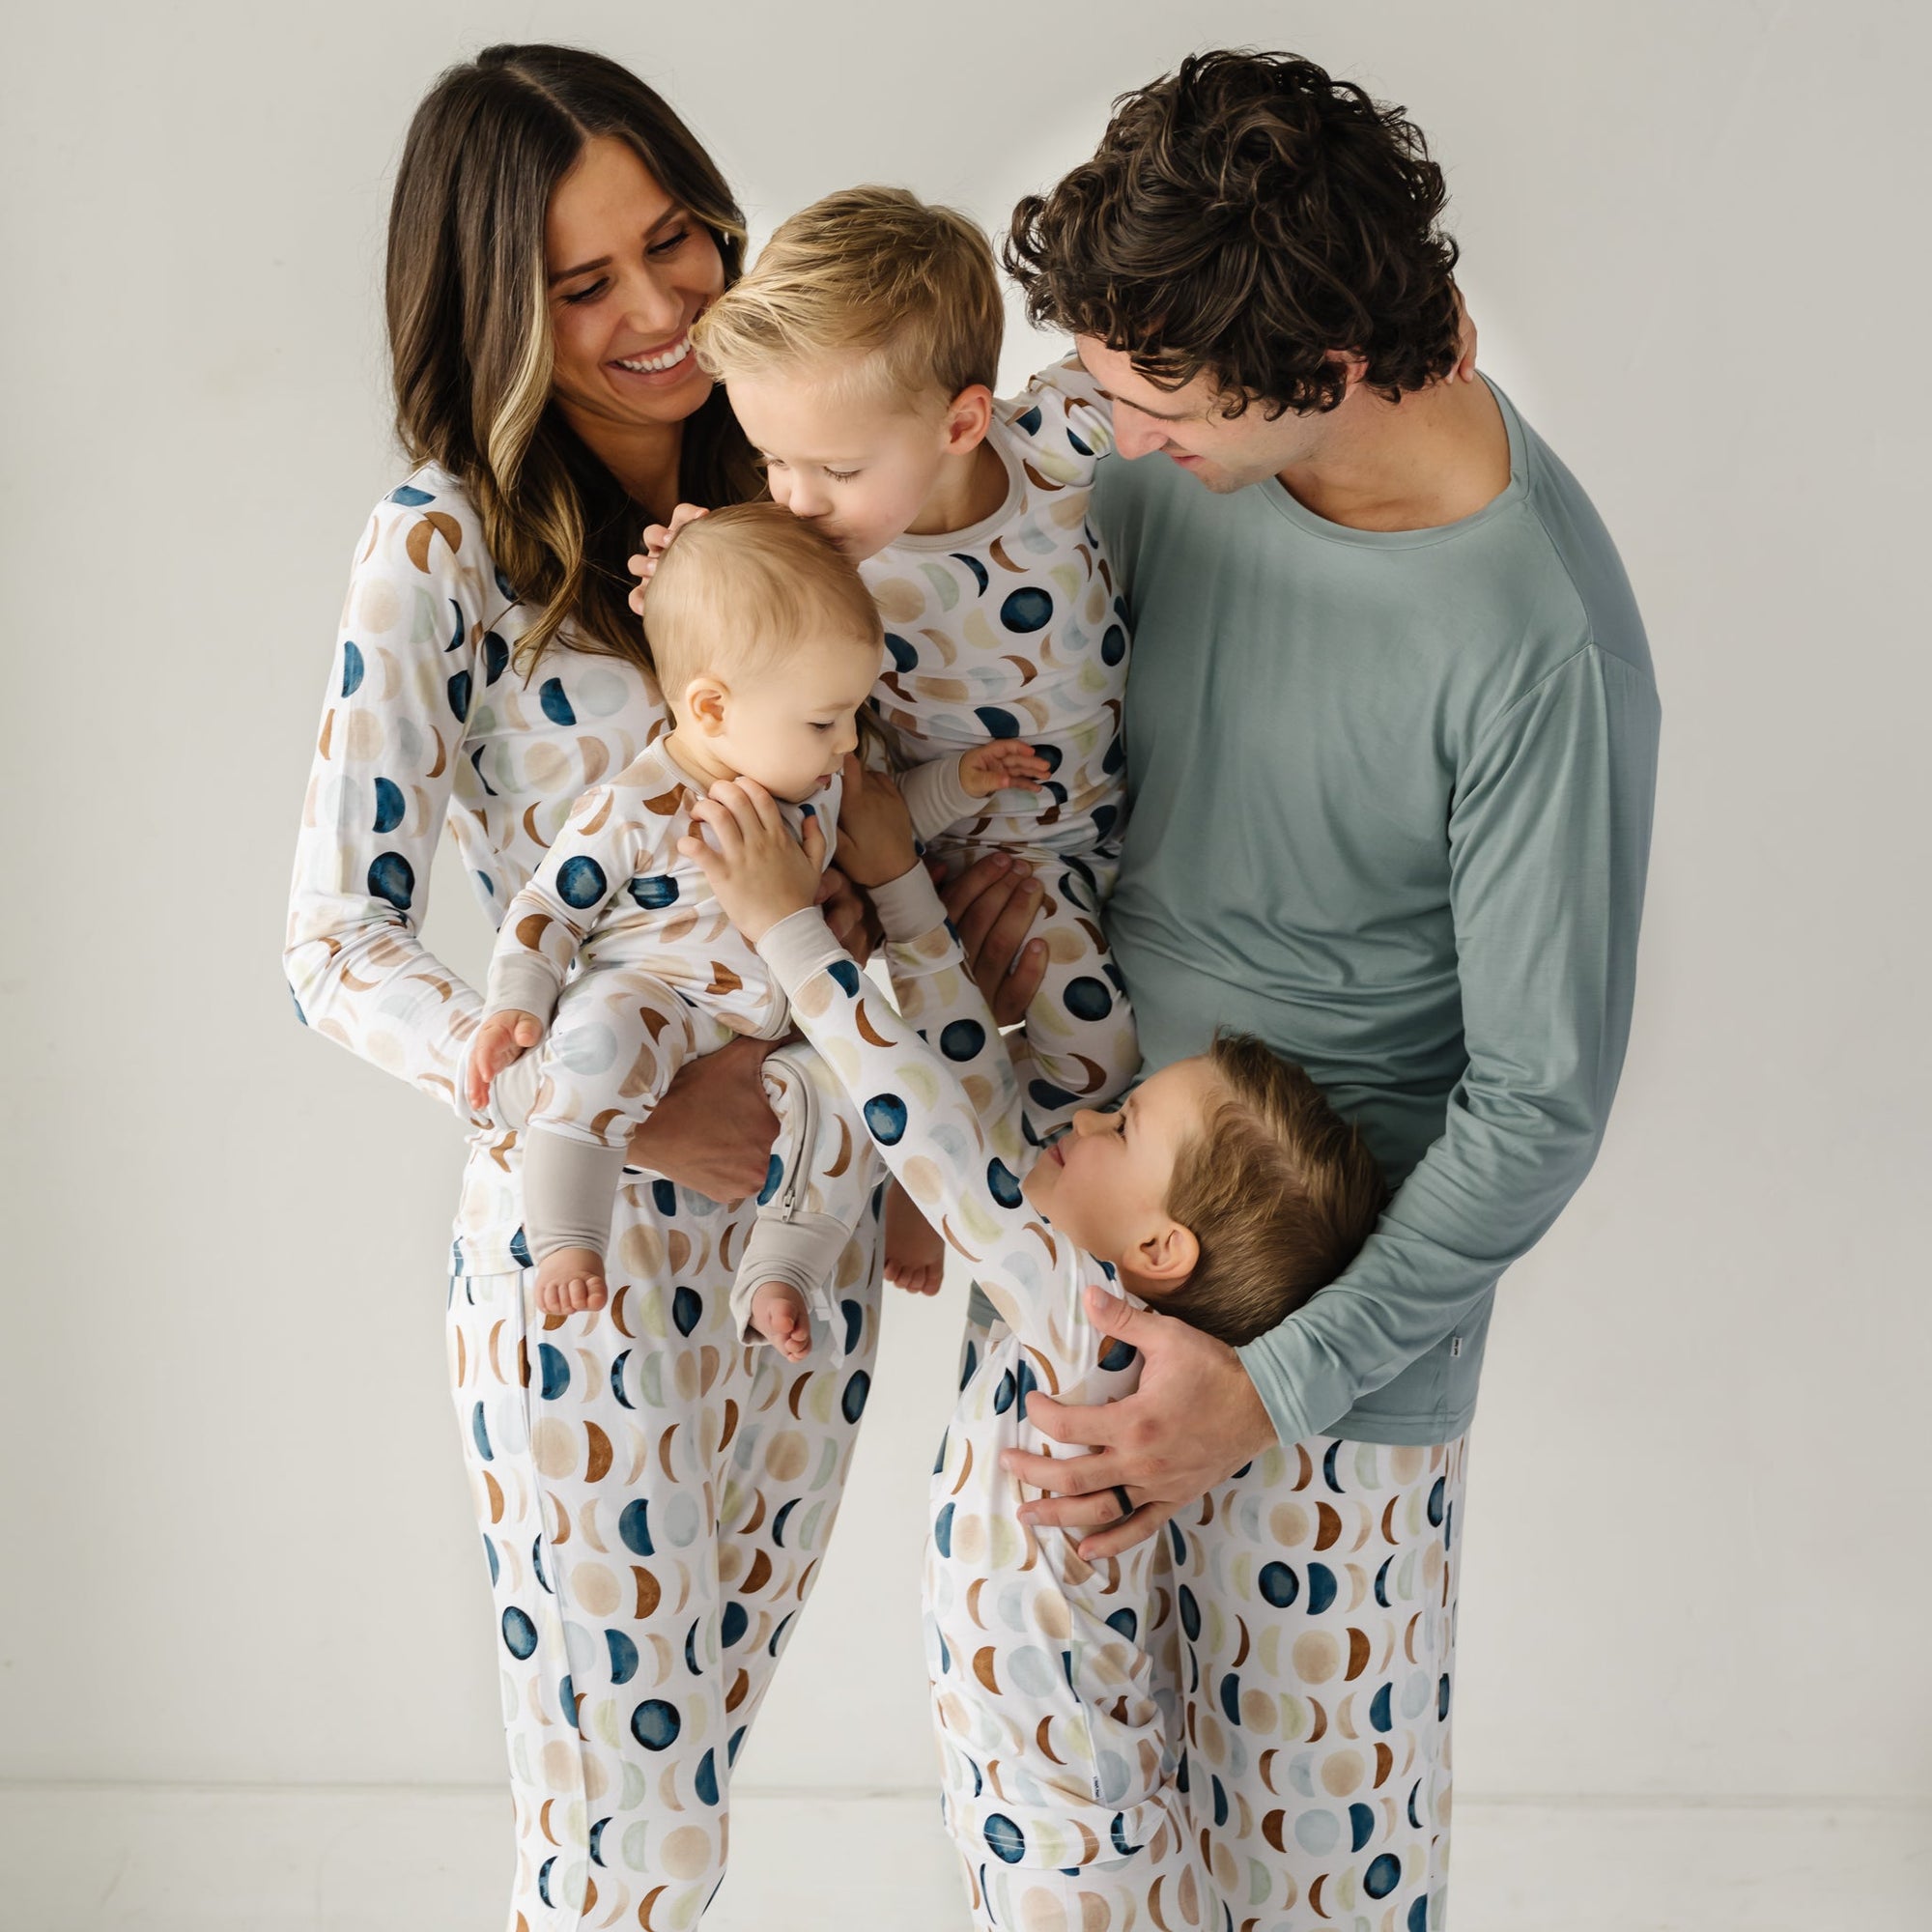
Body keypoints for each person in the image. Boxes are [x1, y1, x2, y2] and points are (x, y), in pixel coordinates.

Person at [281, 44, 1046, 1924]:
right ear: (495, 310)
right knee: (628, 1822)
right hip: (583, 1248)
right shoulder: (444, 546)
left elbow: (884, 806)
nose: (657, 309)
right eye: (582, 281)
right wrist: (569, 1089)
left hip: (804, 1241)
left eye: (674, 241)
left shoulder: (804, 480)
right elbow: (332, 940)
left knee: (696, 1747)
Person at [985, 50, 1662, 1928]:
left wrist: (1269, 1391)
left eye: (1158, 405)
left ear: (1329, 366)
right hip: (1065, 1234)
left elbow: (1537, 1101)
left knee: (1316, 1891)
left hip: (1332, 1358)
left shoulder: (1538, 640)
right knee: (1054, 1870)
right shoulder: (1169, 434)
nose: (1117, 441)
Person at [681, 758, 1387, 1930]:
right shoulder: (1096, 1300)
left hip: (1070, 1839)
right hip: (1054, 1815)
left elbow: (943, 1139)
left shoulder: (1090, 1324)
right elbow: (1006, 1094)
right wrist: (903, 889)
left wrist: (790, 931)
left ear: (1161, 1246)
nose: (1086, 1119)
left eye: (1120, 1125)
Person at [644, 185, 1141, 1296]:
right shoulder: (806, 545)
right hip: (929, 843)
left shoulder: (1046, 455)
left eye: (833, 468)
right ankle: (931, 1184)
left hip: (1071, 830)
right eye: (771, 461)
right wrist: (688, 574)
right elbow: (725, 604)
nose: (794, 500)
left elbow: (1159, 354)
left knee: (1096, 1071)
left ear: (961, 423)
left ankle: (932, 1168)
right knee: (1079, 1044)